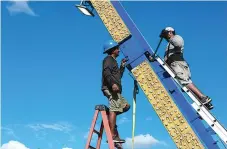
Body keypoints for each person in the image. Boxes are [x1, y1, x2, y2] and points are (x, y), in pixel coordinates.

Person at [159, 27, 213, 110]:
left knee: (184, 81)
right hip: (177, 63)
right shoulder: (170, 43)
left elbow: (179, 44)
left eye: (165, 34)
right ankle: (203, 101)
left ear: (170, 32)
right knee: (187, 83)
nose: (165, 37)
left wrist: (170, 39)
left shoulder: (176, 38)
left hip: (177, 63)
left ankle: (202, 97)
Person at [101, 40, 130, 143]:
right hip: (109, 88)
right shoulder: (108, 59)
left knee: (126, 106)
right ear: (112, 50)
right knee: (114, 109)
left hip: (115, 90)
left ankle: (110, 117)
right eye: (117, 49)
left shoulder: (114, 61)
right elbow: (106, 73)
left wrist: (122, 66)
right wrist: (112, 84)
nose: (119, 50)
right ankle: (112, 136)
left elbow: (119, 76)